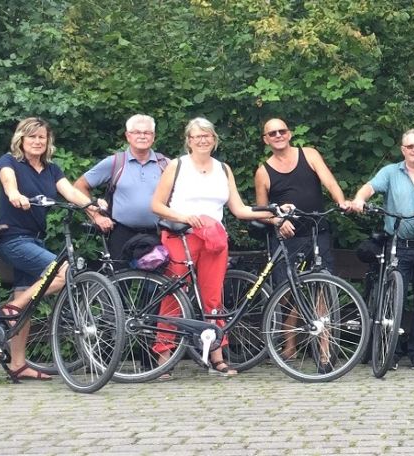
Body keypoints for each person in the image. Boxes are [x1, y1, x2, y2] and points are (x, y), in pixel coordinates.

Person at [150, 117, 276, 377]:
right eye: (197, 136)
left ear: (214, 139)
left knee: (214, 298)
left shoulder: (223, 169)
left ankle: (217, 356)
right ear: (189, 141)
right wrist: (184, 217)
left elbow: (239, 209)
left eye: (207, 135)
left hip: (214, 239)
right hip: (182, 236)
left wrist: (273, 215)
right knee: (174, 295)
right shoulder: (177, 166)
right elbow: (157, 205)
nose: (202, 140)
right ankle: (163, 356)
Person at [0, 117, 102, 381]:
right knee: (64, 272)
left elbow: (70, 193)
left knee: (28, 298)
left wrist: (93, 209)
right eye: (32, 136)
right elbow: (8, 182)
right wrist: (14, 195)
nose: (37, 141)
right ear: (21, 139)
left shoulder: (51, 169)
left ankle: (18, 364)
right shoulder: (9, 162)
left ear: (48, 140)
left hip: (34, 240)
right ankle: (12, 308)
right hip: (13, 239)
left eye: (41, 137)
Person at [351, 128, 414, 370]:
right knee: (392, 299)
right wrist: (359, 199)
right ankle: (392, 352)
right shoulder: (390, 172)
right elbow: (369, 187)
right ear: (403, 149)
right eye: (410, 146)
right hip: (397, 246)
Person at [253, 118, 353, 280]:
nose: (278, 135)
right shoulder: (263, 172)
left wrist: (341, 202)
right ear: (266, 139)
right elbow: (262, 212)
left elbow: (331, 183)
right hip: (287, 237)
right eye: (272, 133)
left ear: (289, 134)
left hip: (317, 230)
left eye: (282, 131)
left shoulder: (310, 154)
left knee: (325, 282)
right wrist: (278, 221)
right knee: (286, 287)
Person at [74, 114, 167, 263]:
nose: (142, 136)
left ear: (153, 136)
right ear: (128, 136)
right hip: (121, 234)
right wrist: (96, 215)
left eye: (147, 132)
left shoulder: (165, 164)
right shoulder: (115, 162)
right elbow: (79, 186)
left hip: (157, 234)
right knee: (120, 277)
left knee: (156, 278)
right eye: (137, 132)